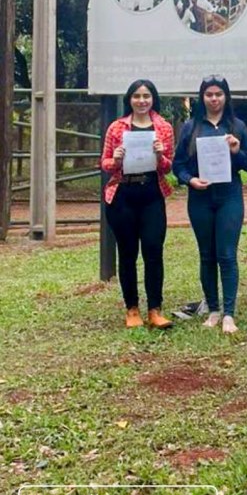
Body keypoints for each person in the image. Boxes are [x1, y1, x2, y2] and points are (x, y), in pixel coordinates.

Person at [173, 76, 247, 334]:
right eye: (209, 94)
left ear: (226, 96)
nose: (214, 98)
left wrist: (237, 151)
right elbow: (178, 166)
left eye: (219, 94)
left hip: (229, 196)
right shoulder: (191, 127)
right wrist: (190, 180)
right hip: (200, 198)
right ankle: (214, 309)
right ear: (202, 97)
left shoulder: (237, 126)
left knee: (227, 255)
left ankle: (229, 313)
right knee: (207, 255)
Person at [101, 79, 176, 329]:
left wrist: (159, 154)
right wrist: (116, 158)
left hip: (152, 193)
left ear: (153, 98)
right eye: (136, 96)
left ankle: (155, 309)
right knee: (128, 253)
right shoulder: (117, 127)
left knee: (154, 251)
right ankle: (132, 308)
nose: (142, 101)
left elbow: (168, 166)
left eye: (146, 96)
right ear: (129, 99)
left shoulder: (163, 127)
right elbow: (105, 164)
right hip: (123, 194)